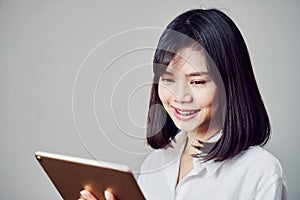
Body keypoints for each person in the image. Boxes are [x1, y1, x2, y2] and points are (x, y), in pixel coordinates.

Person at [80, 8, 287, 200]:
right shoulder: (155, 164)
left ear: (230, 85)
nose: (180, 96)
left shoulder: (261, 172)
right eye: (168, 79)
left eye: (197, 82)